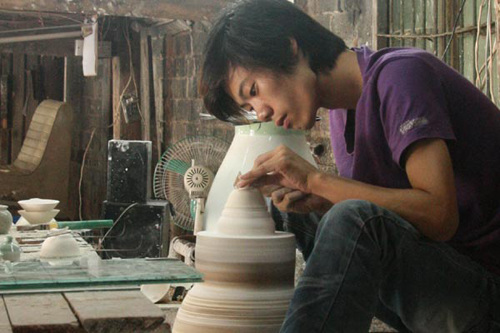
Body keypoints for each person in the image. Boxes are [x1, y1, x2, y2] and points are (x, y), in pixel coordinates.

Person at [199, 0, 500, 331]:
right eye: (250, 106)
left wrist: (317, 180)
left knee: (352, 219)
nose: (262, 111)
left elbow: (441, 217)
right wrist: (320, 197)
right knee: (298, 212)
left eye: (253, 91)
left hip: (488, 291)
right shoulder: (342, 116)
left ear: (289, 47)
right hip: (448, 286)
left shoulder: (401, 76)